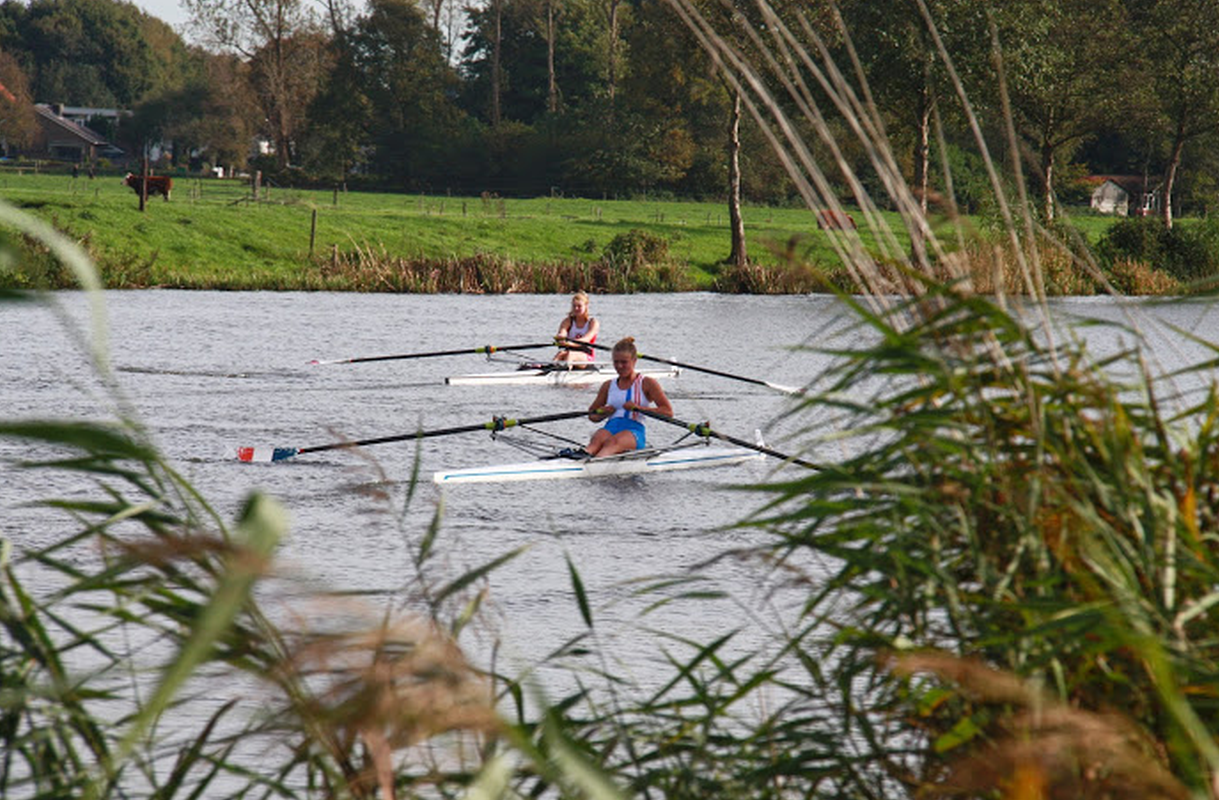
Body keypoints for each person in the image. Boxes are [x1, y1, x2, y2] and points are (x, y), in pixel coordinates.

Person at [586, 337, 673, 457]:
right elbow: (592, 415)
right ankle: (580, 459)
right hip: (610, 428)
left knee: (613, 442)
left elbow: (667, 412)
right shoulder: (608, 385)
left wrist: (638, 408)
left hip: (634, 432)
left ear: (634, 360)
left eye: (624, 362)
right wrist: (604, 413)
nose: (619, 366)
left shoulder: (647, 383)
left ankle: (595, 463)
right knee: (597, 438)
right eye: (616, 362)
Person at [554, 291, 599, 365]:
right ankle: (549, 369)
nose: (576, 308)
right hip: (568, 351)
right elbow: (562, 332)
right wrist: (560, 338)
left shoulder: (593, 322)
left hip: (586, 355)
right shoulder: (567, 321)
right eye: (574, 306)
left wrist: (569, 343)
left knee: (571, 355)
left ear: (586, 306)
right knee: (560, 354)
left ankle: (566, 370)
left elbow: (586, 340)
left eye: (579, 306)